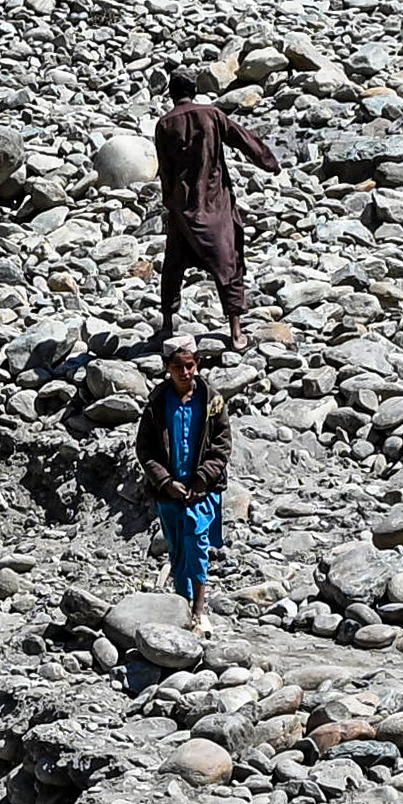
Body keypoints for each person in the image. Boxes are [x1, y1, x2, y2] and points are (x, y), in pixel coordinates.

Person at [151, 68, 279, 347]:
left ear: (171, 94)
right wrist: (269, 162)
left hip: (183, 207)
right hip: (214, 201)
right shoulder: (212, 115)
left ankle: (167, 327)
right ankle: (236, 331)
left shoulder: (164, 125)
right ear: (194, 91)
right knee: (227, 260)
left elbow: (166, 171)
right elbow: (243, 139)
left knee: (173, 265)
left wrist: (170, 202)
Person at [139, 343, 236, 625]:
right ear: (167, 368)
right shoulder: (157, 403)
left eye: (190, 366)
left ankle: (199, 610)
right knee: (177, 548)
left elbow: (222, 446)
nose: (185, 372)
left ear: (197, 365)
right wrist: (165, 481)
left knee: (198, 543)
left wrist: (203, 477)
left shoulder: (212, 401)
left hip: (202, 490)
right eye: (178, 367)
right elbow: (145, 448)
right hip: (169, 491)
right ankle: (182, 604)